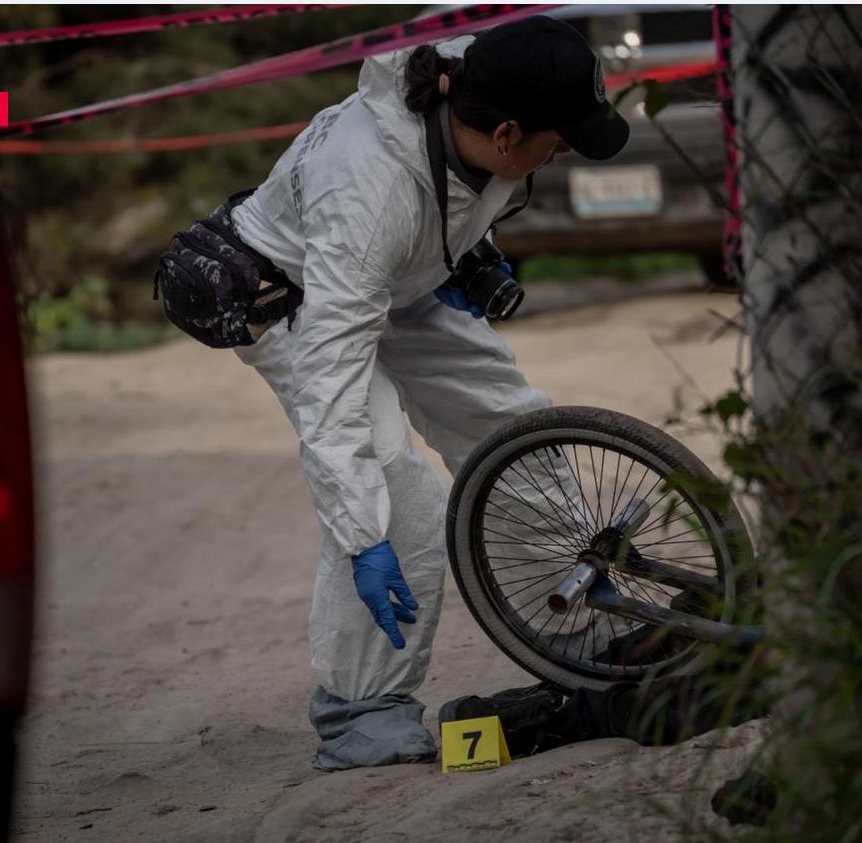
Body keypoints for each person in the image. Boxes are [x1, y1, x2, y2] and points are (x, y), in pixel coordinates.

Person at [227, 15, 630, 771]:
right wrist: (360, 534)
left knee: (513, 425)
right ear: (506, 134)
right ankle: (361, 708)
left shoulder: (475, 71)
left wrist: (476, 251)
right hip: (298, 297)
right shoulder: (367, 192)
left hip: (407, 277)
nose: (567, 149)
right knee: (395, 492)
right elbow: (333, 384)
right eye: (560, 137)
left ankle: (580, 625)